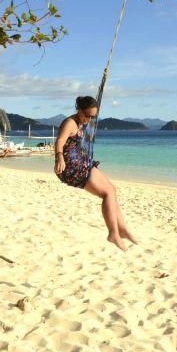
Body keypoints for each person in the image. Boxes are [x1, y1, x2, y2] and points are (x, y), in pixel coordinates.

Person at [55, 96, 137, 251]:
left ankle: (122, 229)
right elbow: (59, 141)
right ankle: (113, 233)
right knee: (106, 193)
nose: (89, 119)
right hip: (71, 167)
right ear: (79, 109)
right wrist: (59, 157)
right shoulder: (70, 123)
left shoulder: (82, 121)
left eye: (93, 116)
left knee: (112, 190)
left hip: (82, 162)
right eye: (87, 115)